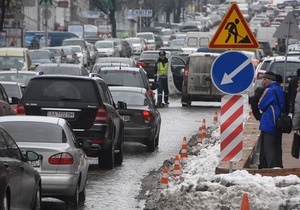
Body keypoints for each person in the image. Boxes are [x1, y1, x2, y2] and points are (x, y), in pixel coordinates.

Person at [258, 71, 285, 169]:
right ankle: (277, 166)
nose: (263, 81)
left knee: (268, 148)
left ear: (269, 80)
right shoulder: (279, 89)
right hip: (277, 121)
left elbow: (261, 105)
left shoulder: (269, 90)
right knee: (276, 146)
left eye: (265, 79)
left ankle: (271, 169)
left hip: (269, 122)